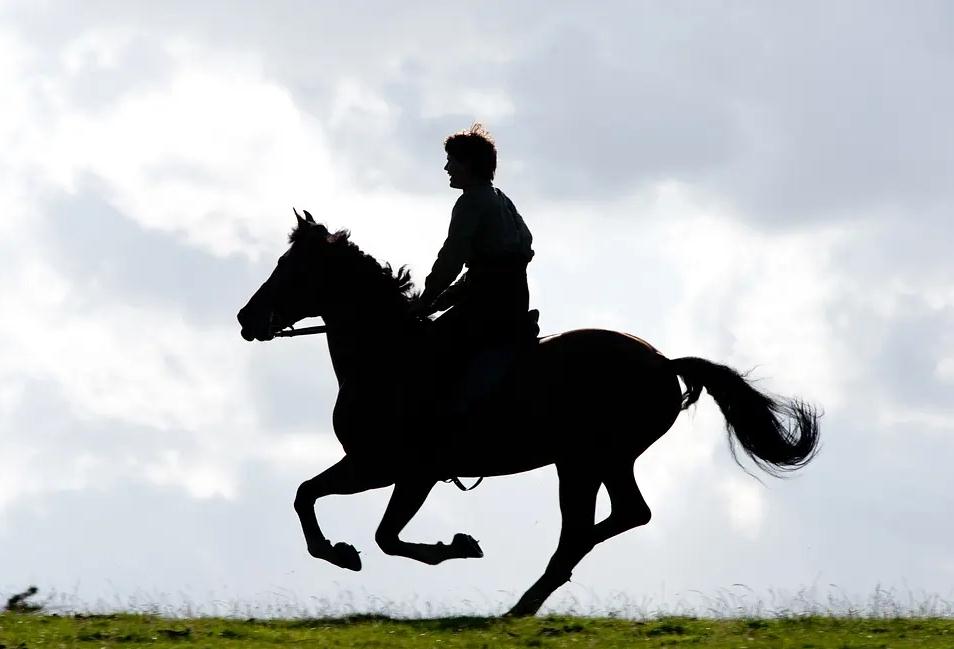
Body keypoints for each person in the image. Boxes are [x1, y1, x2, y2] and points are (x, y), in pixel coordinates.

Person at [413, 124, 535, 419]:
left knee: (426, 351)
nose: (446, 167)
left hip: (489, 304)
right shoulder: (500, 198)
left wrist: (427, 297)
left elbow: (452, 259)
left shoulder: (471, 201)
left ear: (468, 164)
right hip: (512, 298)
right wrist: (442, 300)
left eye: (452, 160)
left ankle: (449, 422)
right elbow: (488, 268)